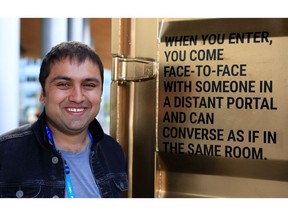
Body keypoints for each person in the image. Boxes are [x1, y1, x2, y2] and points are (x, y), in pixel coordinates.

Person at [0, 41, 128, 198]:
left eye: (88, 85)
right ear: (43, 94)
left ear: (100, 94)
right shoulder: (6, 154)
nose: (77, 97)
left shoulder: (113, 152)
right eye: (64, 84)